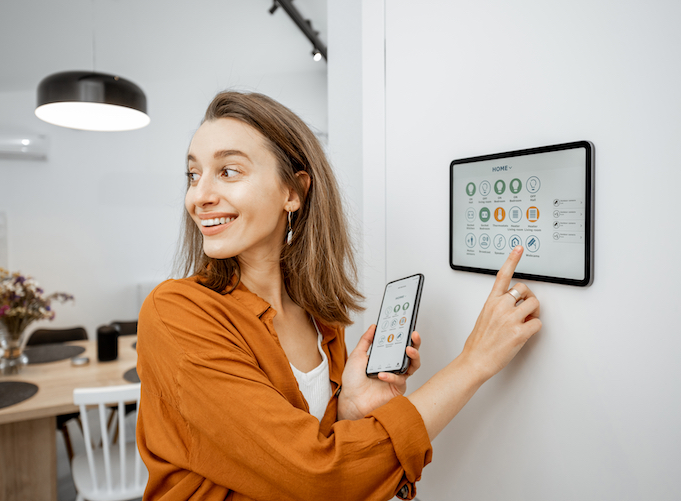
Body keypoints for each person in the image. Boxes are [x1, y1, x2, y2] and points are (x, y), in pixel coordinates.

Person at [136, 91, 541, 501]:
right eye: (193, 175)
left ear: (292, 192)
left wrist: (347, 406)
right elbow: (317, 477)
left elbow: (305, 447)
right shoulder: (175, 313)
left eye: (228, 171)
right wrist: (474, 362)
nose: (199, 196)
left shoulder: (319, 318)